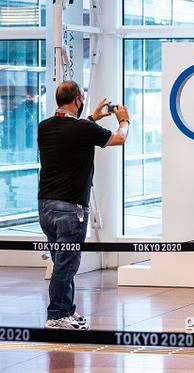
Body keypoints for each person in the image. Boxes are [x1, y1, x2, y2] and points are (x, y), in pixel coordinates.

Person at [38, 80, 130, 329]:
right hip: (70, 208)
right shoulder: (82, 128)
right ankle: (56, 315)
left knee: (61, 262)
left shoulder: (44, 127)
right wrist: (123, 120)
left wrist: (92, 117)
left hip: (45, 206)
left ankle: (66, 310)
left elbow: (75, 131)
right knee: (67, 264)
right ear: (78, 100)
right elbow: (119, 139)